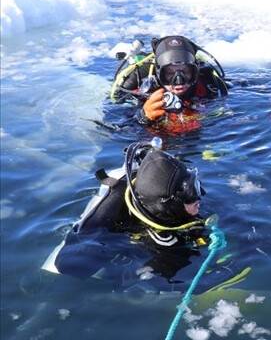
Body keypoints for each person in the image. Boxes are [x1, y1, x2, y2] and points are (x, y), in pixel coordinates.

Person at [43, 140, 209, 282]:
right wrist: (153, 269)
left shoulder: (171, 205)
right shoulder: (109, 223)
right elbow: (69, 264)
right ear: (169, 206)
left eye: (195, 186)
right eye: (190, 194)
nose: (198, 197)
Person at [110, 35, 228, 132]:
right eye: (170, 73)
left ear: (195, 72)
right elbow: (119, 125)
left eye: (186, 72)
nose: (179, 81)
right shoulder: (142, 85)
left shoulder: (208, 81)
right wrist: (142, 116)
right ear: (158, 72)